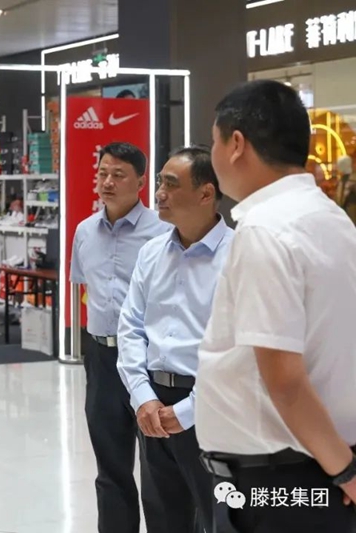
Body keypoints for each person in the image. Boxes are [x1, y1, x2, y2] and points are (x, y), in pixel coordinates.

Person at [196, 79, 356, 532]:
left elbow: (284, 380)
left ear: (236, 145)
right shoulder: (333, 219)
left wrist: (346, 472)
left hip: (281, 481)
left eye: (214, 141)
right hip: (313, 468)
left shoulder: (266, 229)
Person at [117, 146, 233, 533]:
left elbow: (240, 352)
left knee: (220, 518)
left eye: (171, 184)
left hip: (212, 409)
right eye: (159, 182)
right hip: (153, 407)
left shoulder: (239, 256)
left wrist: (186, 412)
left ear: (206, 193)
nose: (159, 194)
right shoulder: (152, 252)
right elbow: (131, 325)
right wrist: (142, 396)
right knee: (163, 517)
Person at [70, 141, 171, 533]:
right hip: (100, 357)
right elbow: (86, 288)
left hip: (150, 358)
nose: (107, 182)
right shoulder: (84, 232)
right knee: (110, 465)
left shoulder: (163, 233)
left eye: (118, 175)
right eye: (102, 174)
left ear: (141, 182)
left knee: (159, 467)